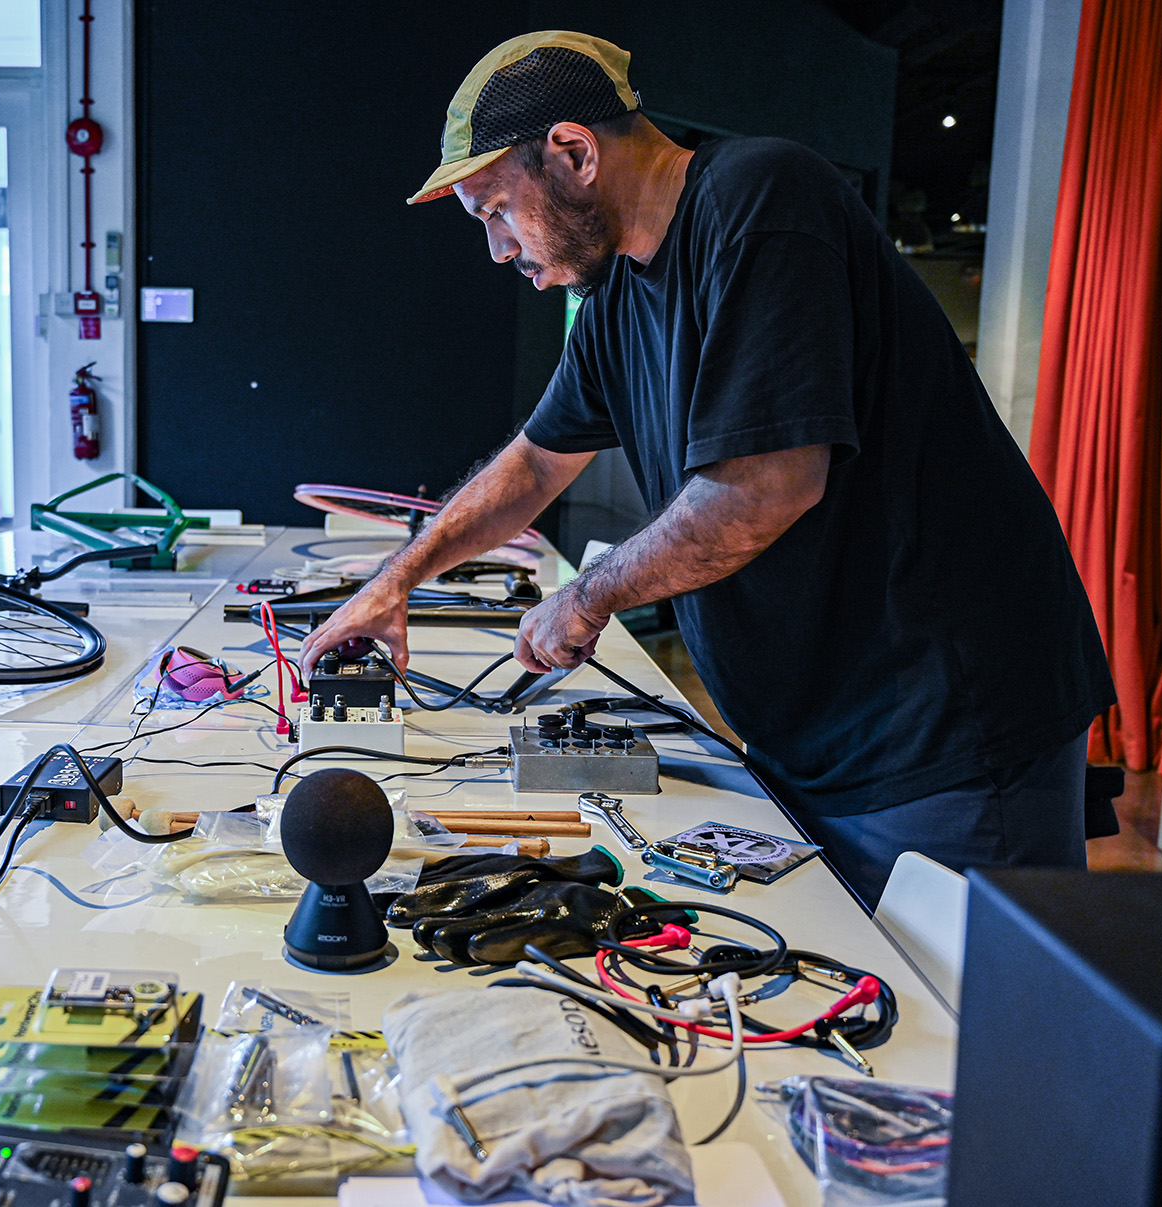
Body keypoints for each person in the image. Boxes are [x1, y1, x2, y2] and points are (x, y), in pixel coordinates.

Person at [299, 31, 1116, 907]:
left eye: (495, 210)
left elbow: (763, 488)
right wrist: (399, 580)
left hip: (945, 727)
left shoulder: (762, 200)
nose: (498, 249)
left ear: (574, 152)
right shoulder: (614, 295)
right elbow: (535, 464)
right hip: (816, 732)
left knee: (960, 1030)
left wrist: (586, 595)